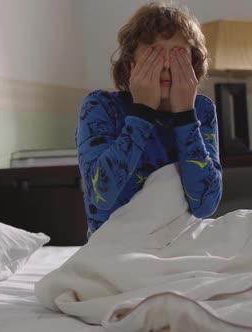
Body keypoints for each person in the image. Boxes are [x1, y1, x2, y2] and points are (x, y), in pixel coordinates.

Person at [77, 2, 222, 238]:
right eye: (153, 54)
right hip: (115, 246)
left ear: (193, 63)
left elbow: (205, 205)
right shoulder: (101, 106)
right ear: (130, 63)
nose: (165, 66)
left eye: (177, 55)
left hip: (181, 243)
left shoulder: (202, 109)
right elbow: (101, 195)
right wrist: (142, 111)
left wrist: (185, 115)